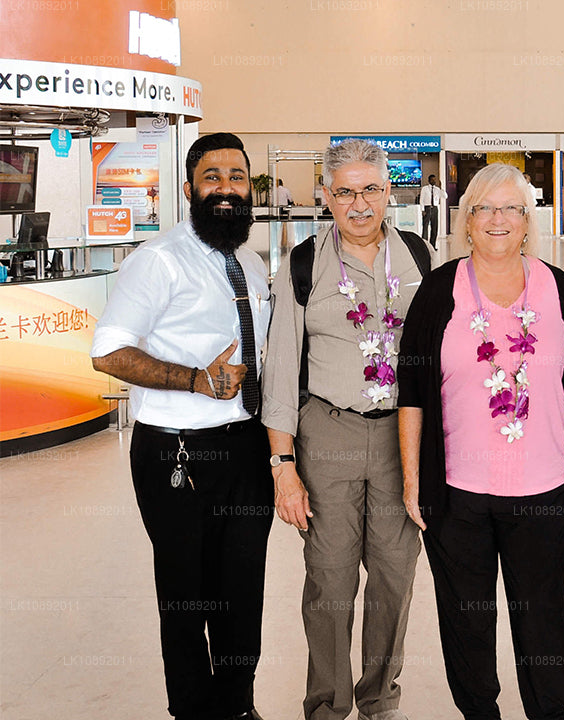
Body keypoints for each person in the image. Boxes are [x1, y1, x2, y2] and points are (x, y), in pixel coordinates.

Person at [398, 163, 564, 720]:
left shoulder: (560, 287)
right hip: (458, 493)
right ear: (467, 220)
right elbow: (412, 390)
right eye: (484, 207)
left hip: (544, 489)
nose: (497, 219)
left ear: (528, 220)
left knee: (543, 620)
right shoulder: (440, 289)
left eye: (510, 208)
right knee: (467, 622)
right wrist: (412, 480)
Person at [90, 132, 273, 720]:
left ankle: (237, 705)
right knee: (186, 595)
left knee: (241, 589)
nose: (226, 188)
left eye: (237, 177)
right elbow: (107, 352)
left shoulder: (250, 262)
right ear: (190, 189)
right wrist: (194, 379)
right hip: (177, 455)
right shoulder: (158, 260)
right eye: (212, 177)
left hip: (245, 447)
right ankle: (194, 710)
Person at [262, 139, 426, 720]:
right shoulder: (303, 264)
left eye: (371, 189)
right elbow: (281, 372)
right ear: (326, 197)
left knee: (394, 577)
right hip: (327, 434)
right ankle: (328, 705)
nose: (360, 204)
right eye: (346, 192)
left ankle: (380, 699)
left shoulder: (420, 258)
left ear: (389, 192)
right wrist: (283, 469)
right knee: (329, 581)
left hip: (402, 440)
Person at [419, 173, 446, 248]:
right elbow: (421, 200)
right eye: (432, 180)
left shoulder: (437, 189)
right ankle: (424, 245)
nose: (434, 181)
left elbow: (445, 196)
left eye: (434, 180)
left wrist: (441, 188)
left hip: (435, 208)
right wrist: (422, 210)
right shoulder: (424, 189)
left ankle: (432, 246)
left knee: (434, 227)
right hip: (427, 208)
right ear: (429, 180)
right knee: (425, 227)